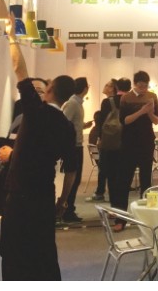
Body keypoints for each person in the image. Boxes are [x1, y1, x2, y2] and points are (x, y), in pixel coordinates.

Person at [0, 32, 78, 280]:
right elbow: (70, 168)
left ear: (50, 89)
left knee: (14, 255)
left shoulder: (35, 112)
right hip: (45, 196)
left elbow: (19, 69)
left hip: (21, 197)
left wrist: (12, 37)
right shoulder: (67, 126)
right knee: (43, 253)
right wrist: (63, 201)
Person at [119, 70, 158, 198]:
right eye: (140, 86)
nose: (143, 89)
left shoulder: (152, 97)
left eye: (146, 86)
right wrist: (141, 111)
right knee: (126, 175)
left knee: (146, 176)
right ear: (135, 84)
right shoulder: (126, 98)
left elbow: (156, 121)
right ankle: (121, 206)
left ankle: (145, 204)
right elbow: (124, 121)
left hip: (147, 140)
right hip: (129, 141)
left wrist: (149, 112)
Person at [59, 77, 93, 223]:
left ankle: (68, 209)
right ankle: (66, 210)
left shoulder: (77, 103)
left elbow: (71, 123)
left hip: (76, 145)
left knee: (75, 179)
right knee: (72, 180)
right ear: (85, 88)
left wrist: (83, 126)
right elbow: (64, 123)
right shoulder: (73, 103)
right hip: (72, 146)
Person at [86, 78, 117, 202]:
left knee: (104, 167)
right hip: (115, 139)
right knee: (109, 167)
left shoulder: (107, 102)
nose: (105, 86)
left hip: (107, 139)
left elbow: (103, 124)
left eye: (108, 85)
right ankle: (109, 193)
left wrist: (100, 138)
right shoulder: (119, 101)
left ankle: (101, 192)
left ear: (112, 88)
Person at [106, 78, 131, 219]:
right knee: (124, 179)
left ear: (116, 87)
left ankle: (114, 208)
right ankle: (122, 210)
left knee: (112, 177)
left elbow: (101, 122)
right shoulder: (132, 102)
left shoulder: (107, 102)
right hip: (127, 144)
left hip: (110, 144)